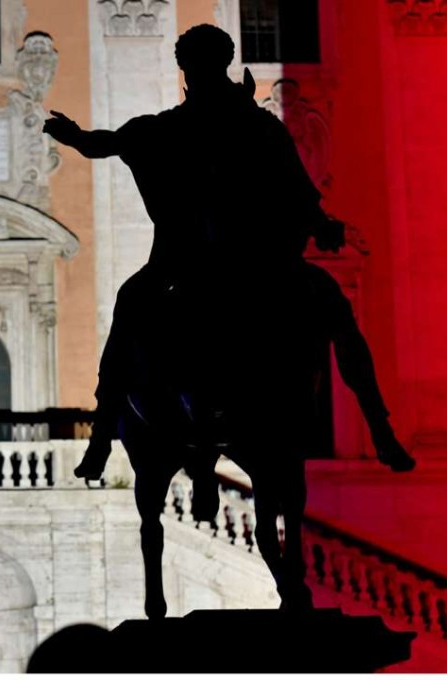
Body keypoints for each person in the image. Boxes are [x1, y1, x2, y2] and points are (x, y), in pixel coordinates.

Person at [42, 24, 414, 490]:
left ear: (187, 70)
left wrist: (73, 135)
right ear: (222, 64)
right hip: (256, 262)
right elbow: (300, 190)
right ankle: (380, 427)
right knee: (336, 309)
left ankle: (101, 437)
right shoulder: (255, 125)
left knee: (129, 309)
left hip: (185, 263)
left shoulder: (170, 128)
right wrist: (323, 226)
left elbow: (106, 143)